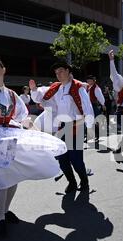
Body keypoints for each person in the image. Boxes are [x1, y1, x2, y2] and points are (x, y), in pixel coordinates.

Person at [0, 58, 67, 236]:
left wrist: (39, 135)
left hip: (8, 137)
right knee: (0, 180)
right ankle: (0, 218)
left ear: (3, 70)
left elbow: (25, 118)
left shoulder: (12, 95)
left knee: (12, 176)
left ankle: (6, 211)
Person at [29, 61, 95, 193]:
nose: (58, 74)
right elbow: (41, 97)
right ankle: (72, 182)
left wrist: (89, 124)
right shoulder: (56, 87)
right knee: (62, 159)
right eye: (56, 72)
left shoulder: (78, 87)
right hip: (61, 127)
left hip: (77, 126)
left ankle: (84, 181)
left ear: (68, 71)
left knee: (76, 160)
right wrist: (34, 90)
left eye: (60, 71)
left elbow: (87, 107)